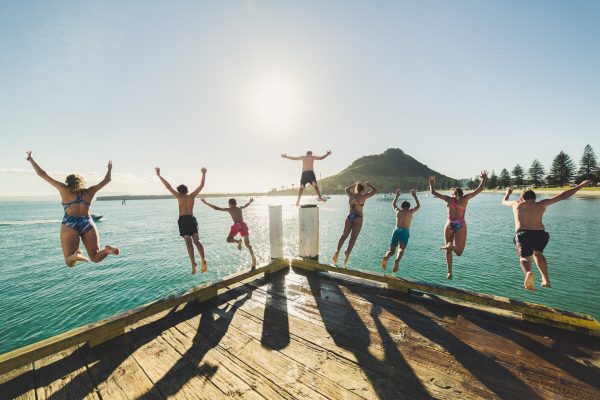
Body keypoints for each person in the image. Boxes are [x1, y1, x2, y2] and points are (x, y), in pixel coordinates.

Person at [25, 151, 119, 267]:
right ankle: (107, 251)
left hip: (70, 224)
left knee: (69, 262)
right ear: (81, 182)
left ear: (67, 182)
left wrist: (31, 159)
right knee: (94, 257)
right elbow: (107, 180)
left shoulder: (64, 189)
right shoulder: (90, 191)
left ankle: (75, 256)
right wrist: (109, 169)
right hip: (87, 223)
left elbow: (42, 174)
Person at [502, 181, 592, 290]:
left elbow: (504, 201)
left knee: (524, 258)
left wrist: (508, 193)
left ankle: (528, 273)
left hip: (524, 234)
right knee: (538, 255)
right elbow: (563, 195)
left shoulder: (516, 204)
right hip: (541, 235)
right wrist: (581, 185)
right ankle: (545, 279)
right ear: (534, 198)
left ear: (522, 198)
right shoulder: (541, 204)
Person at [429, 171, 488, 280]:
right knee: (459, 252)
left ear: (453, 194)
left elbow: (433, 192)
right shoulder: (465, 199)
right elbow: (479, 189)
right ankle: (451, 246)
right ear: (462, 193)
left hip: (449, 223)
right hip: (460, 224)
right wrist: (483, 178)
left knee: (448, 250)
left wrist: (431, 182)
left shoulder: (448, 199)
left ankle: (449, 272)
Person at [155, 167, 207, 275]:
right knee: (196, 240)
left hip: (183, 220)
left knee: (188, 242)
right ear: (187, 190)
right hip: (192, 219)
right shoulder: (192, 196)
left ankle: (193, 263)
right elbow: (201, 185)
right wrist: (203, 173)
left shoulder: (179, 196)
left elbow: (168, 186)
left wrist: (159, 175)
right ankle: (203, 259)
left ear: (179, 191)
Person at [201, 198, 257, 269]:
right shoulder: (239, 208)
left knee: (229, 239)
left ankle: (238, 241)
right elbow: (246, 205)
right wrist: (250, 201)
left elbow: (216, 208)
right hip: (243, 225)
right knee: (247, 244)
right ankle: (253, 258)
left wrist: (206, 203)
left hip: (237, 225)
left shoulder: (230, 209)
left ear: (230, 204)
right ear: (235, 203)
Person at [333, 181, 378, 266]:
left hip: (350, 216)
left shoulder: (351, 195)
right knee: (353, 238)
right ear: (363, 190)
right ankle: (347, 254)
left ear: (356, 189)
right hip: (358, 218)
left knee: (344, 235)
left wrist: (354, 184)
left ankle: (337, 250)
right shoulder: (363, 197)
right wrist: (370, 185)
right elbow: (375, 190)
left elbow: (346, 189)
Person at [382, 188, 420, 272]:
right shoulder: (410, 212)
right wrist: (415, 196)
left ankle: (386, 256)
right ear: (409, 207)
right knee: (401, 249)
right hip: (404, 231)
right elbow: (418, 206)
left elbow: (393, 204)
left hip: (396, 230)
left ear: (402, 207)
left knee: (391, 251)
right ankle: (397, 261)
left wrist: (397, 195)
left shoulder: (398, 211)